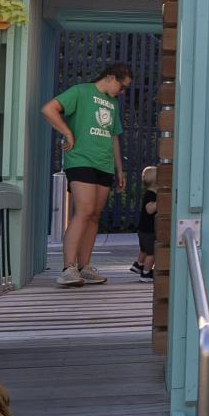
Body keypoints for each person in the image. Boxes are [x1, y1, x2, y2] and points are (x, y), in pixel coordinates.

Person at [41, 61, 132, 287]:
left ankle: (85, 266)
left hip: (104, 164)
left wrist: (120, 169)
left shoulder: (113, 104)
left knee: (94, 215)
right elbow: (48, 109)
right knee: (83, 210)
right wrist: (67, 133)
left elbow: (113, 137)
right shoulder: (81, 91)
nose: (122, 93)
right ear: (111, 77)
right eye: (122, 87)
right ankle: (68, 268)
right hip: (80, 159)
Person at [132, 164, 161, 280]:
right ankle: (146, 272)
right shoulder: (151, 195)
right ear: (156, 182)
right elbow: (149, 209)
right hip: (148, 231)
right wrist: (160, 202)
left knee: (144, 250)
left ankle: (138, 265)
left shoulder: (149, 194)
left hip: (143, 230)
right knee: (152, 253)